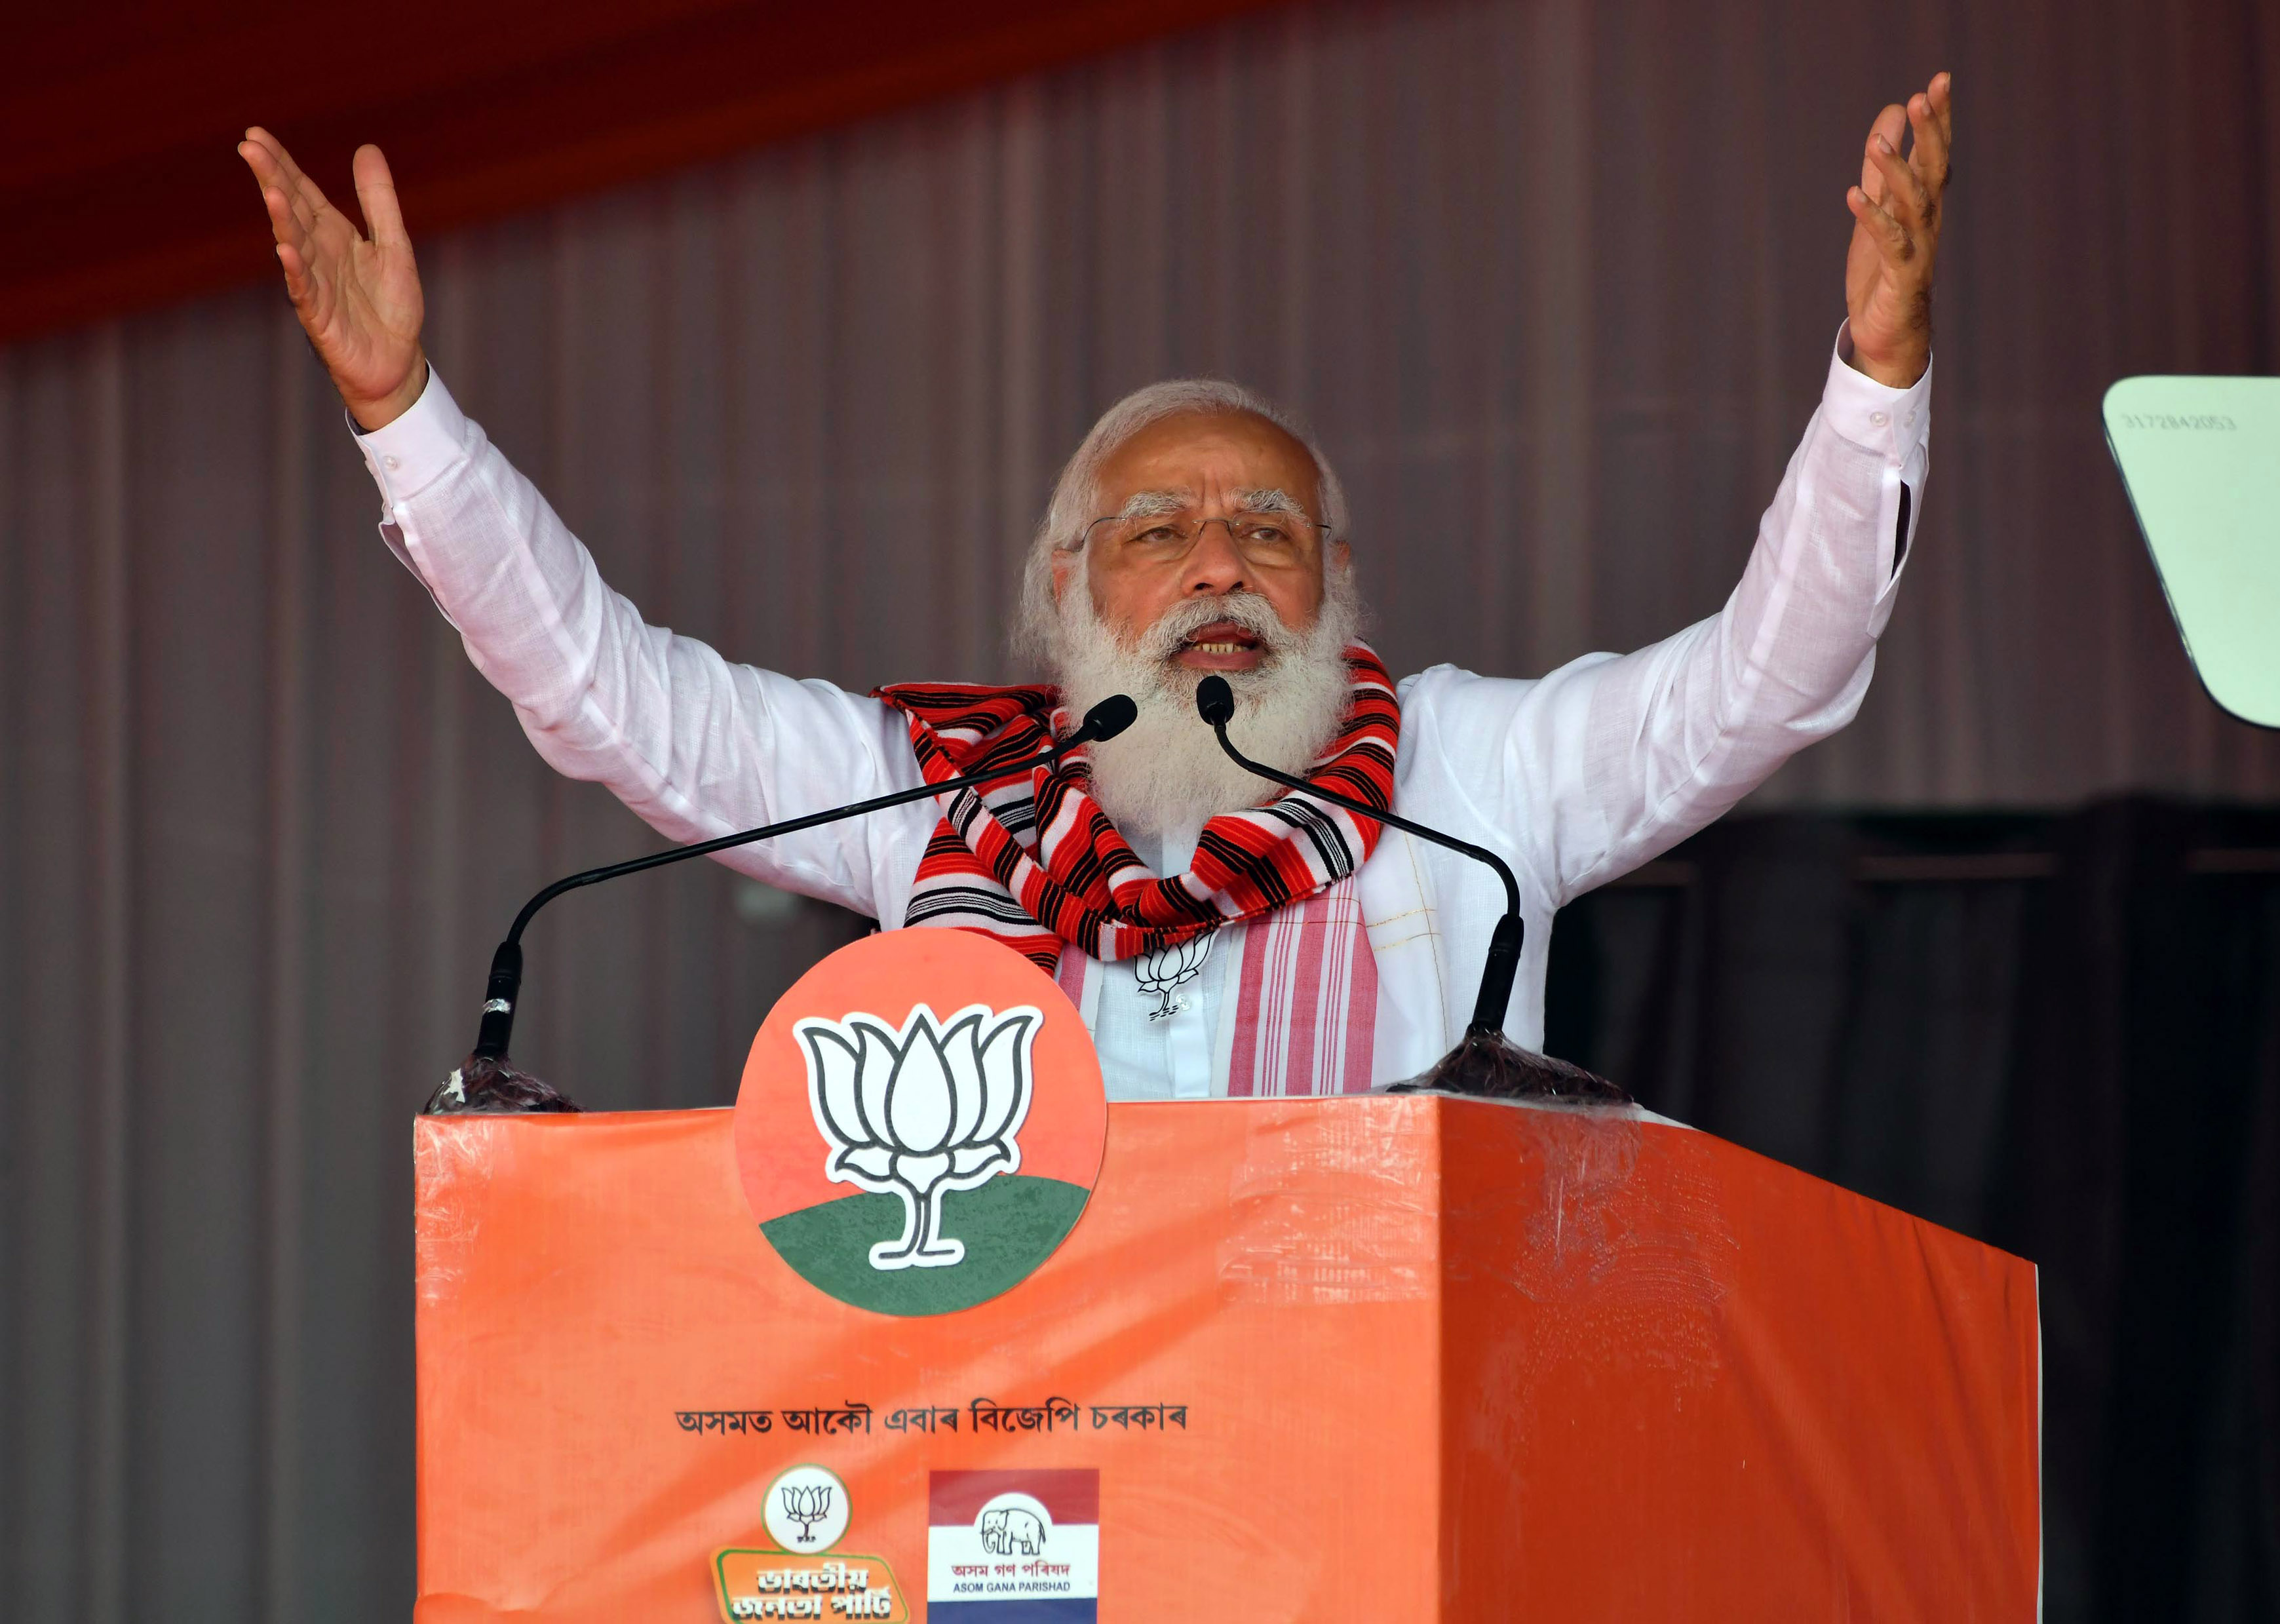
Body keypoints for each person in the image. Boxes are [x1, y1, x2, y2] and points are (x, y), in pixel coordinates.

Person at [236, 73, 1952, 1100]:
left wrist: (1877, 381)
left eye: (1270, 532)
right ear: (1066, 587)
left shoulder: (1477, 782)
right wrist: (406, 418)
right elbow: (610, 695)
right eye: (1161, 531)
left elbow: (1764, 680)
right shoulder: (945, 802)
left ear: (1339, 582)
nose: (1222, 560)